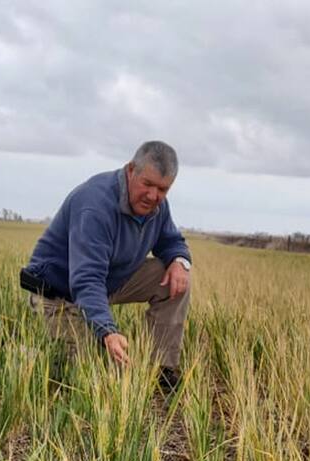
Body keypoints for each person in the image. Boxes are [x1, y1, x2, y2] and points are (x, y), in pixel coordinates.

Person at [20, 140, 193, 389]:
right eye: (148, 184)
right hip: (59, 293)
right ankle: (19, 354)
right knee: (86, 377)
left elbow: (171, 241)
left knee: (173, 277)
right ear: (131, 170)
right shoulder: (94, 205)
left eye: (163, 189)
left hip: (108, 282)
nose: (154, 196)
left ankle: (161, 368)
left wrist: (179, 261)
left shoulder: (157, 206)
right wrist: (107, 331)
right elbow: (86, 279)